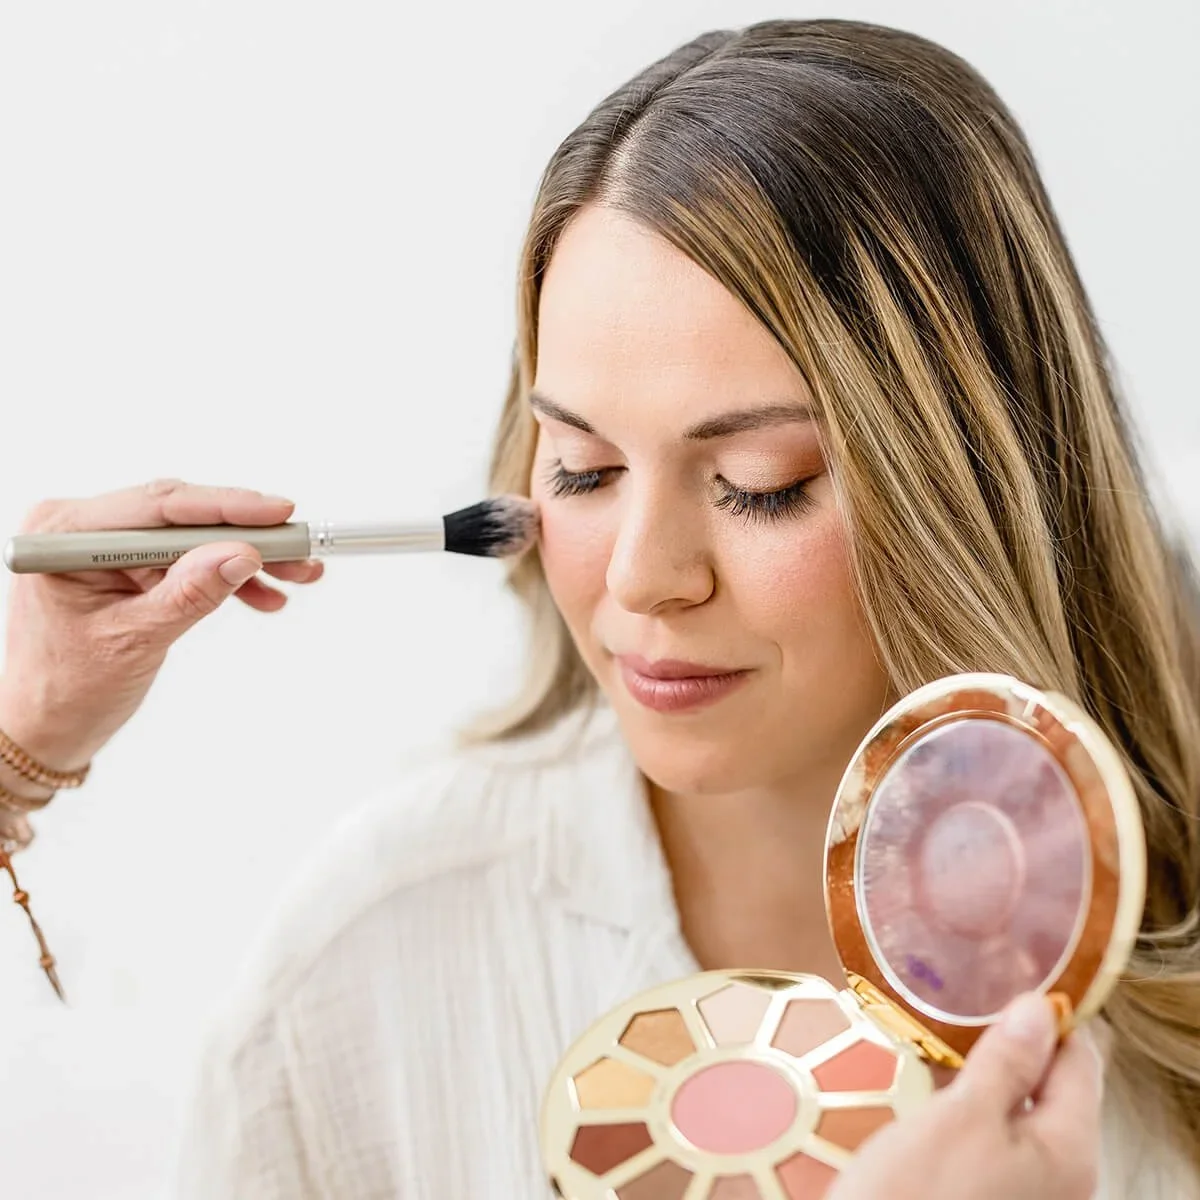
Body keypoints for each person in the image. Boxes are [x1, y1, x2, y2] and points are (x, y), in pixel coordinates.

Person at [0, 17, 1196, 1199]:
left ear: (969, 482)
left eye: (757, 485)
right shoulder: (369, 975)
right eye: (580, 468)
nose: (638, 577)